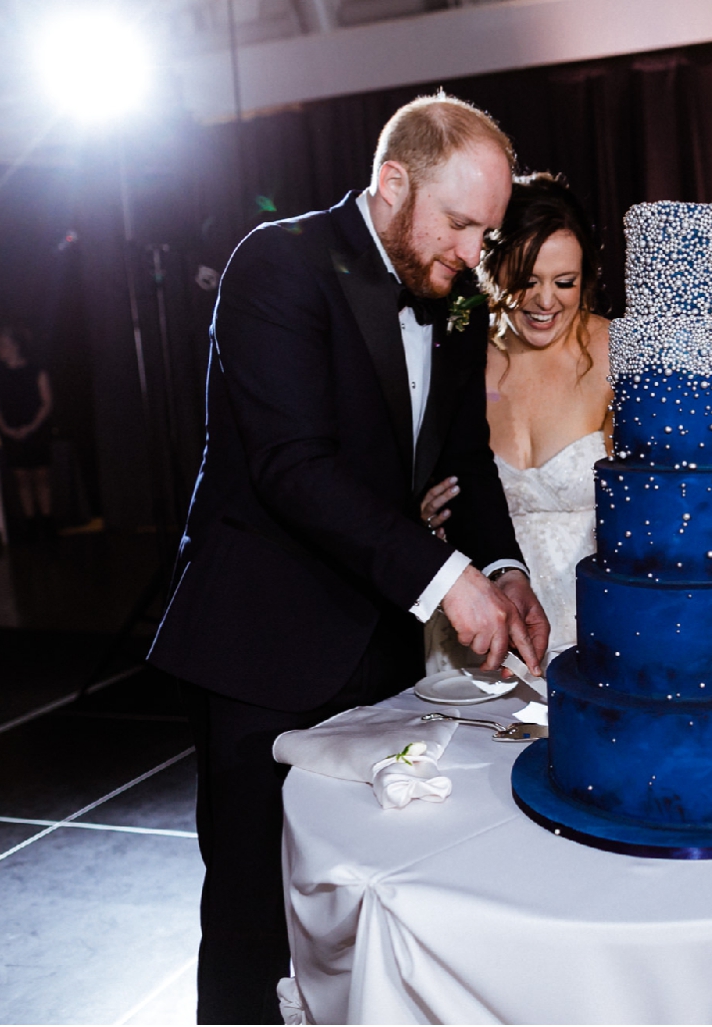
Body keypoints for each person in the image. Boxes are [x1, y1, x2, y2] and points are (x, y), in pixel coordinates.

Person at [147, 93, 550, 1024]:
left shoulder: (451, 303)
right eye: (458, 223)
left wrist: (503, 567)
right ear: (392, 181)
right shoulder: (279, 262)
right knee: (256, 913)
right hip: (262, 650)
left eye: (486, 234)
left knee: (362, 906)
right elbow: (293, 467)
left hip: (373, 654)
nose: (471, 255)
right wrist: (447, 582)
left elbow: (466, 457)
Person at [420, 173, 612, 679]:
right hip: (477, 631)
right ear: (490, 265)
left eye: (564, 282)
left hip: (592, 629)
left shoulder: (617, 353)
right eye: (526, 280)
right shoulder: (456, 357)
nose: (546, 301)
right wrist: (417, 517)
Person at [0, 326, 54, 539]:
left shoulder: (36, 369)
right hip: (10, 429)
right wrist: (5, 428)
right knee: (21, 477)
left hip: (36, 428)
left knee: (41, 476)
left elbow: (47, 402)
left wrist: (32, 427)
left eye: (3, 345)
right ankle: (30, 522)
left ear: (15, 346)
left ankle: (47, 521)